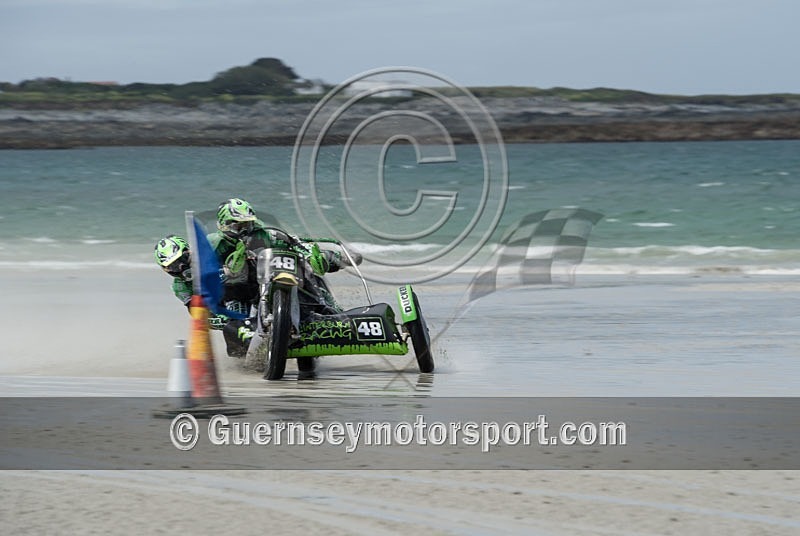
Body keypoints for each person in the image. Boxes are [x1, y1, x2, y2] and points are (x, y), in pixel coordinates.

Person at [209, 198, 361, 313]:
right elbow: (201, 274)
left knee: (307, 271)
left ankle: (332, 309)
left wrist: (317, 256)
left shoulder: (265, 234)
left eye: (247, 225)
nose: (244, 230)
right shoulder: (214, 244)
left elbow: (295, 243)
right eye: (238, 226)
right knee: (234, 310)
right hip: (237, 291)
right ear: (224, 224)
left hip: (267, 281)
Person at [154, 234, 255, 358]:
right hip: (229, 303)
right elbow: (197, 312)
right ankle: (246, 348)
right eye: (174, 266)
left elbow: (240, 240)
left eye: (183, 260)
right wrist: (218, 319)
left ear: (188, 251)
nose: (181, 267)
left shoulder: (212, 245)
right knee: (228, 317)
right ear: (167, 270)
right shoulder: (180, 287)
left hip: (248, 281)